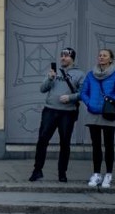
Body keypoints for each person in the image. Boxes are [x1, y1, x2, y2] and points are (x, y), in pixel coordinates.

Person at [29, 47, 84, 183]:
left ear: (72, 58)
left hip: (67, 113)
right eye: (62, 56)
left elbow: (83, 94)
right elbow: (42, 89)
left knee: (65, 143)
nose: (63, 58)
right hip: (50, 110)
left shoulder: (80, 74)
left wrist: (70, 98)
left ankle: (62, 173)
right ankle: (37, 170)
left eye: (66, 56)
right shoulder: (54, 72)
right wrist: (49, 78)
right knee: (42, 140)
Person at [80, 48, 115, 188]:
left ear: (110, 59)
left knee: (109, 145)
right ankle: (96, 174)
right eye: (99, 55)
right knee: (95, 146)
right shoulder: (90, 74)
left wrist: (110, 99)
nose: (101, 57)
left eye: (104, 55)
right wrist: (89, 103)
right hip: (93, 114)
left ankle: (108, 175)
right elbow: (83, 92)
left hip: (108, 114)